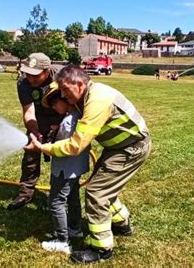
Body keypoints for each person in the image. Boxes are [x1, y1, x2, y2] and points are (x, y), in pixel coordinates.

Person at [25, 65, 151, 264]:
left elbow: (76, 145)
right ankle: (122, 223)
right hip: (118, 147)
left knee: (97, 192)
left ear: (80, 84)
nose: (64, 96)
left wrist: (44, 148)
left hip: (131, 148)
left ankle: (101, 249)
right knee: (104, 187)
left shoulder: (97, 100)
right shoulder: (85, 95)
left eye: (66, 90)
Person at [40, 82, 90, 254]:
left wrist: (45, 144)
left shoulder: (68, 122)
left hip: (64, 169)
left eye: (54, 102)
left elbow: (61, 146)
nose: (53, 106)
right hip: (75, 169)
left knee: (56, 201)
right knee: (73, 197)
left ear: (64, 98)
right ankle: (75, 229)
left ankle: (62, 240)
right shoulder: (76, 116)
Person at [9, 53, 63, 210]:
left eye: (35, 75)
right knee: (30, 158)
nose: (30, 79)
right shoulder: (23, 84)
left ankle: (59, 195)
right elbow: (28, 111)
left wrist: (59, 125)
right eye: (28, 74)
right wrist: (34, 132)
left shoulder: (61, 76)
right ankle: (26, 193)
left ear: (47, 72)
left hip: (62, 118)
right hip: (39, 119)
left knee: (62, 157)